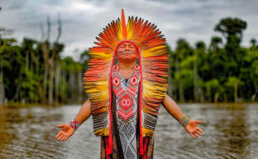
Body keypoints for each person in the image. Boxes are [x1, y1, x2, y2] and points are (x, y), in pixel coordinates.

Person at [56, 10, 203, 159]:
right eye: (122, 46)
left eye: (130, 46)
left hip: (141, 135)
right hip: (112, 136)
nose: (126, 48)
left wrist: (185, 121)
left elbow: (164, 98)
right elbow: (92, 102)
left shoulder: (147, 76)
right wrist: (74, 125)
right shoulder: (106, 77)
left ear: (138, 51)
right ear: (115, 52)